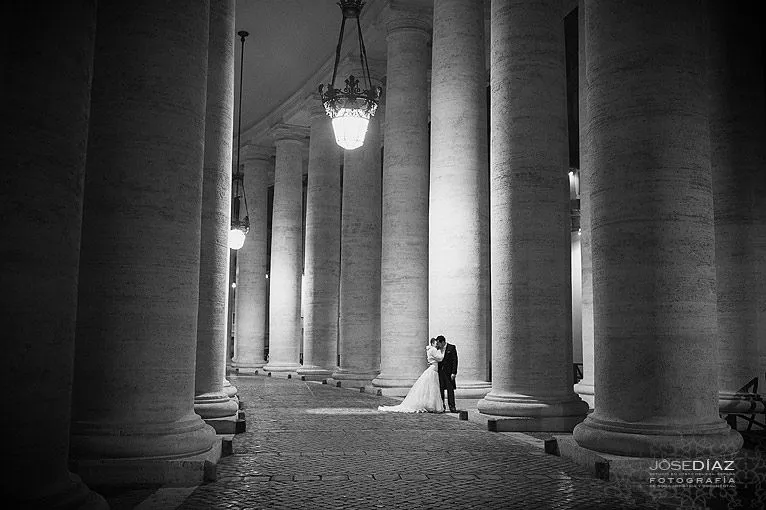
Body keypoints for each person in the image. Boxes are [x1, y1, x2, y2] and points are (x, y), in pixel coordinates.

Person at [378, 338, 445, 413]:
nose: (437, 345)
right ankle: (432, 405)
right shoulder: (433, 350)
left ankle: (431, 405)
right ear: (432, 343)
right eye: (436, 343)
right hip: (433, 369)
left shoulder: (430, 350)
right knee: (432, 387)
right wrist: (441, 350)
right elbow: (440, 358)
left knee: (432, 388)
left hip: (433, 369)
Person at [436, 335, 458, 413]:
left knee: (450, 390)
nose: (437, 345)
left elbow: (455, 361)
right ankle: (442, 406)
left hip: (449, 373)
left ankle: (452, 406)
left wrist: (454, 372)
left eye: (438, 343)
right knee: (441, 390)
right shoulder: (437, 349)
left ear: (443, 342)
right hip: (440, 373)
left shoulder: (451, 348)